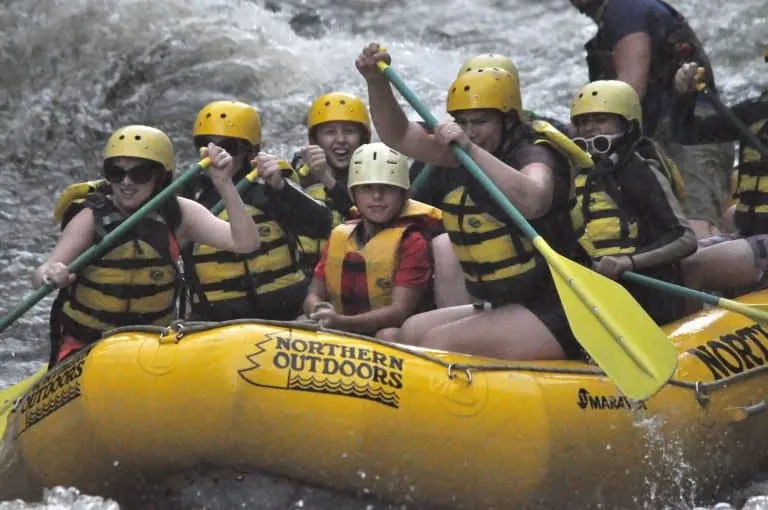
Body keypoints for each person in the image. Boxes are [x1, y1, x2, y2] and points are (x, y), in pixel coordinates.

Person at [355, 43, 585, 361]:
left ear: (506, 119)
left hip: (560, 305)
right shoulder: (462, 150)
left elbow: (534, 199)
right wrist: (376, 83)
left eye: (479, 122)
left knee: (438, 342)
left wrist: (470, 149)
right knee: (411, 332)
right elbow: (399, 135)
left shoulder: (534, 150)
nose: (470, 132)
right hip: (505, 303)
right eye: (462, 122)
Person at [34, 125, 261, 366]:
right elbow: (41, 273)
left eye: (139, 173)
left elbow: (245, 243)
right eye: (116, 172)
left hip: (152, 345)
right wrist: (51, 273)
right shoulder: (91, 217)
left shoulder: (180, 215)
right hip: (87, 345)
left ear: (161, 176)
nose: (126, 182)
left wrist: (224, 183)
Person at [569, 0, 735, 239]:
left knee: (697, 230)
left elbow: (628, 91)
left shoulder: (626, 9)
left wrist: (569, 135)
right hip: (666, 135)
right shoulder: (617, 17)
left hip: (694, 134)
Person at [183, 100, 331, 322]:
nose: (216, 156)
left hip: (285, 316)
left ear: (248, 150)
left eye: (228, 147)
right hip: (215, 323)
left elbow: (323, 225)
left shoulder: (270, 188)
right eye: (207, 146)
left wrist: (282, 188)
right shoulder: (190, 195)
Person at [569, 80, 696, 324]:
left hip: (648, 289)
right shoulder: (580, 169)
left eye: (600, 119)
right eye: (584, 121)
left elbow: (685, 238)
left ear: (626, 123)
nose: (590, 129)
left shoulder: (639, 168)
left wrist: (628, 262)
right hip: (597, 288)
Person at [303, 142, 443, 339]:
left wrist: (340, 323)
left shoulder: (412, 241)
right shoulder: (339, 235)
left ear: (405, 195)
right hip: (339, 324)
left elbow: (399, 312)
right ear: (353, 194)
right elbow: (313, 293)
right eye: (367, 188)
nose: (377, 196)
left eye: (388, 188)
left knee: (387, 335)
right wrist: (316, 309)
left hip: (389, 333)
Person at [671, 59, 768, 299]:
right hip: (750, 231)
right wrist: (686, 97)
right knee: (670, 261)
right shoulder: (755, 112)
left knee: (693, 265)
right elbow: (688, 133)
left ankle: (686, 332)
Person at [292, 92, 371, 276]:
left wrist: (326, 179)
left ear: (362, 138)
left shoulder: (375, 171)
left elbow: (364, 215)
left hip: (357, 274)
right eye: (330, 132)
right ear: (315, 140)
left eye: (349, 131)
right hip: (308, 276)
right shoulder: (298, 174)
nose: (341, 140)